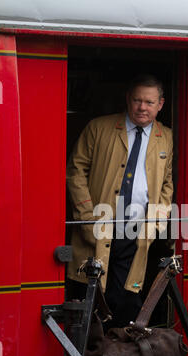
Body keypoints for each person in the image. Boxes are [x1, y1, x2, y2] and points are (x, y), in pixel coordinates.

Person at [66, 74, 173, 328]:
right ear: (128, 99)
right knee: (88, 291)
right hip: (97, 224)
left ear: (161, 104)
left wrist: (159, 219)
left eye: (149, 102)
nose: (142, 107)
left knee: (125, 296)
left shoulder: (165, 136)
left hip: (137, 228)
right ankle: (89, 353)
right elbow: (75, 170)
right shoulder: (99, 127)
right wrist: (87, 215)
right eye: (137, 100)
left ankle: (119, 355)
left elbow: (167, 182)